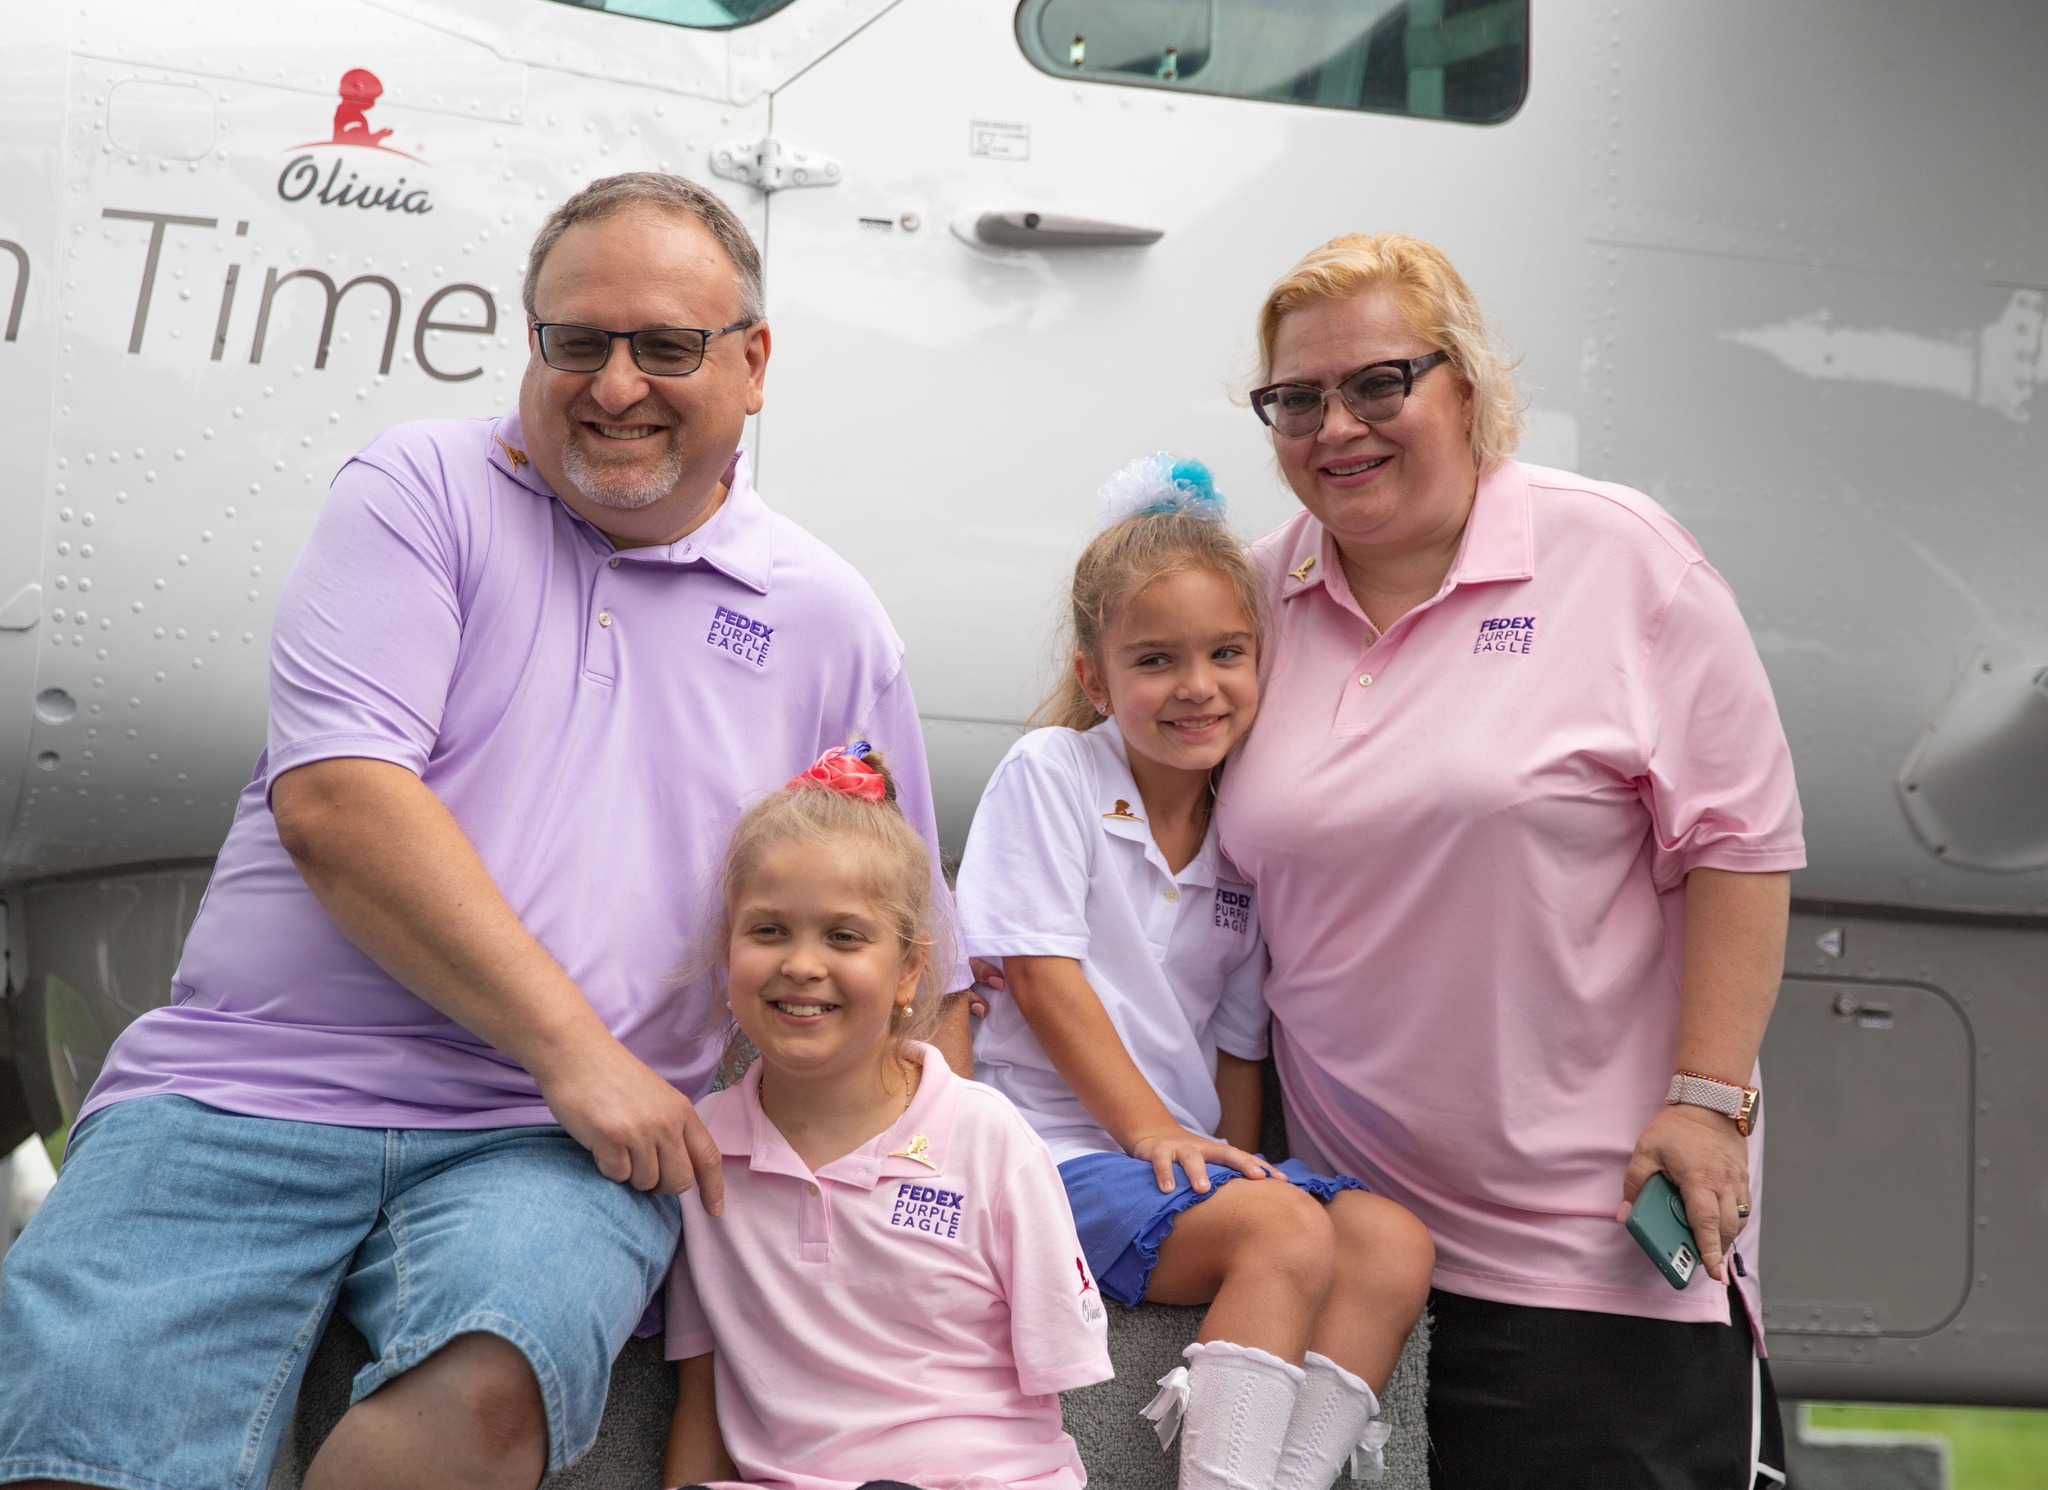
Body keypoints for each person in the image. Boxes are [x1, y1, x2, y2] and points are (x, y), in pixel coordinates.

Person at [0, 173, 967, 1490]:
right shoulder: (421, 485)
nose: (614, 384)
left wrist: (914, 1211)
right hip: (249, 1083)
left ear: (752, 364)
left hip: (555, 1147)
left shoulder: (830, 620)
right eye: (578, 340)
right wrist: (578, 1052)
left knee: (493, 1391)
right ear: (531, 344)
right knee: (76, 1432)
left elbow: (913, 959)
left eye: (665, 346)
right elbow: (339, 803)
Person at [1214, 232, 1806, 1488]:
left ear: (1468, 383)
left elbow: (1741, 845)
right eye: (1296, 398)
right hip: (1351, 1262)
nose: (1337, 426)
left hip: (1585, 1260)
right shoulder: (1251, 597)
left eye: (1379, 382)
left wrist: (1708, 1102)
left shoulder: (1620, 556)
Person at [955, 457, 1434, 1490]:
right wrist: (1151, 1132)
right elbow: (1040, 978)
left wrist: (1233, 1154)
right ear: (1096, 680)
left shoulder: (1244, 830)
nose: (1196, 686)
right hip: (1050, 1157)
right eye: (1155, 660)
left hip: (1174, 1166)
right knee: (1281, 1228)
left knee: (1391, 1242)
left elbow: (1234, 1047)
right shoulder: (1052, 772)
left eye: (1226, 653)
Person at [662, 742, 1110, 1490]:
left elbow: (1057, 1368)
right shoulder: (702, 1149)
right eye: (768, 930)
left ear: (909, 970)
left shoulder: (989, 1138)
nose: (802, 965)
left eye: (844, 936)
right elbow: (702, 1396)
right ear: (726, 948)